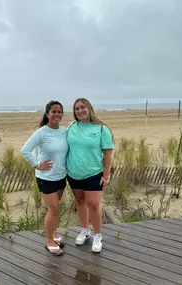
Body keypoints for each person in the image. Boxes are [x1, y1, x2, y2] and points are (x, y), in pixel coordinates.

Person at [66, 98, 114, 253]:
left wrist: (105, 175)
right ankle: (85, 230)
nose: (80, 111)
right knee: (80, 201)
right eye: (77, 108)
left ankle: (97, 235)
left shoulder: (101, 129)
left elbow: (107, 153)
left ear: (89, 108)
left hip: (93, 173)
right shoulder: (71, 127)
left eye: (83, 107)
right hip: (73, 173)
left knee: (93, 204)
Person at [21, 100, 68, 256]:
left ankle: (54, 233)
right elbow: (25, 150)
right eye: (53, 111)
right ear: (48, 114)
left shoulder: (64, 131)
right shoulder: (42, 132)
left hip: (61, 177)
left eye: (59, 111)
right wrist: (36, 164)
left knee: (56, 208)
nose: (57, 114)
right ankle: (49, 241)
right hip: (45, 178)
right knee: (53, 209)